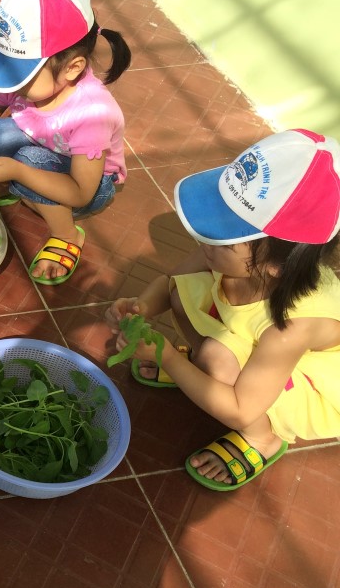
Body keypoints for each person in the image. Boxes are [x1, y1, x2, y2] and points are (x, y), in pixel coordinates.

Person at [105, 130, 340, 491]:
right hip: (254, 345)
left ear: (276, 264)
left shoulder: (295, 325)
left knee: (216, 358)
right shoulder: (242, 257)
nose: (205, 240)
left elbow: (241, 408)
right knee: (182, 295)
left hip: (307, 381)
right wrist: (142, 307)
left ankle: (262, 439)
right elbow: (171, 281)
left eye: (225, 238)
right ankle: (199, 370)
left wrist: (169, 358)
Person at [0, 0, 132, 285]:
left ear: (72, 68)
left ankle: (66, 235)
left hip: (87, 185)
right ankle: (6, 182)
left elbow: (80, 193)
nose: (11, 83)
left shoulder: (92, 114)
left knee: (28, 159)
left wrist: (19, 172)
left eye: (20, 75)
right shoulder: (28, 78)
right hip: (39, 154)